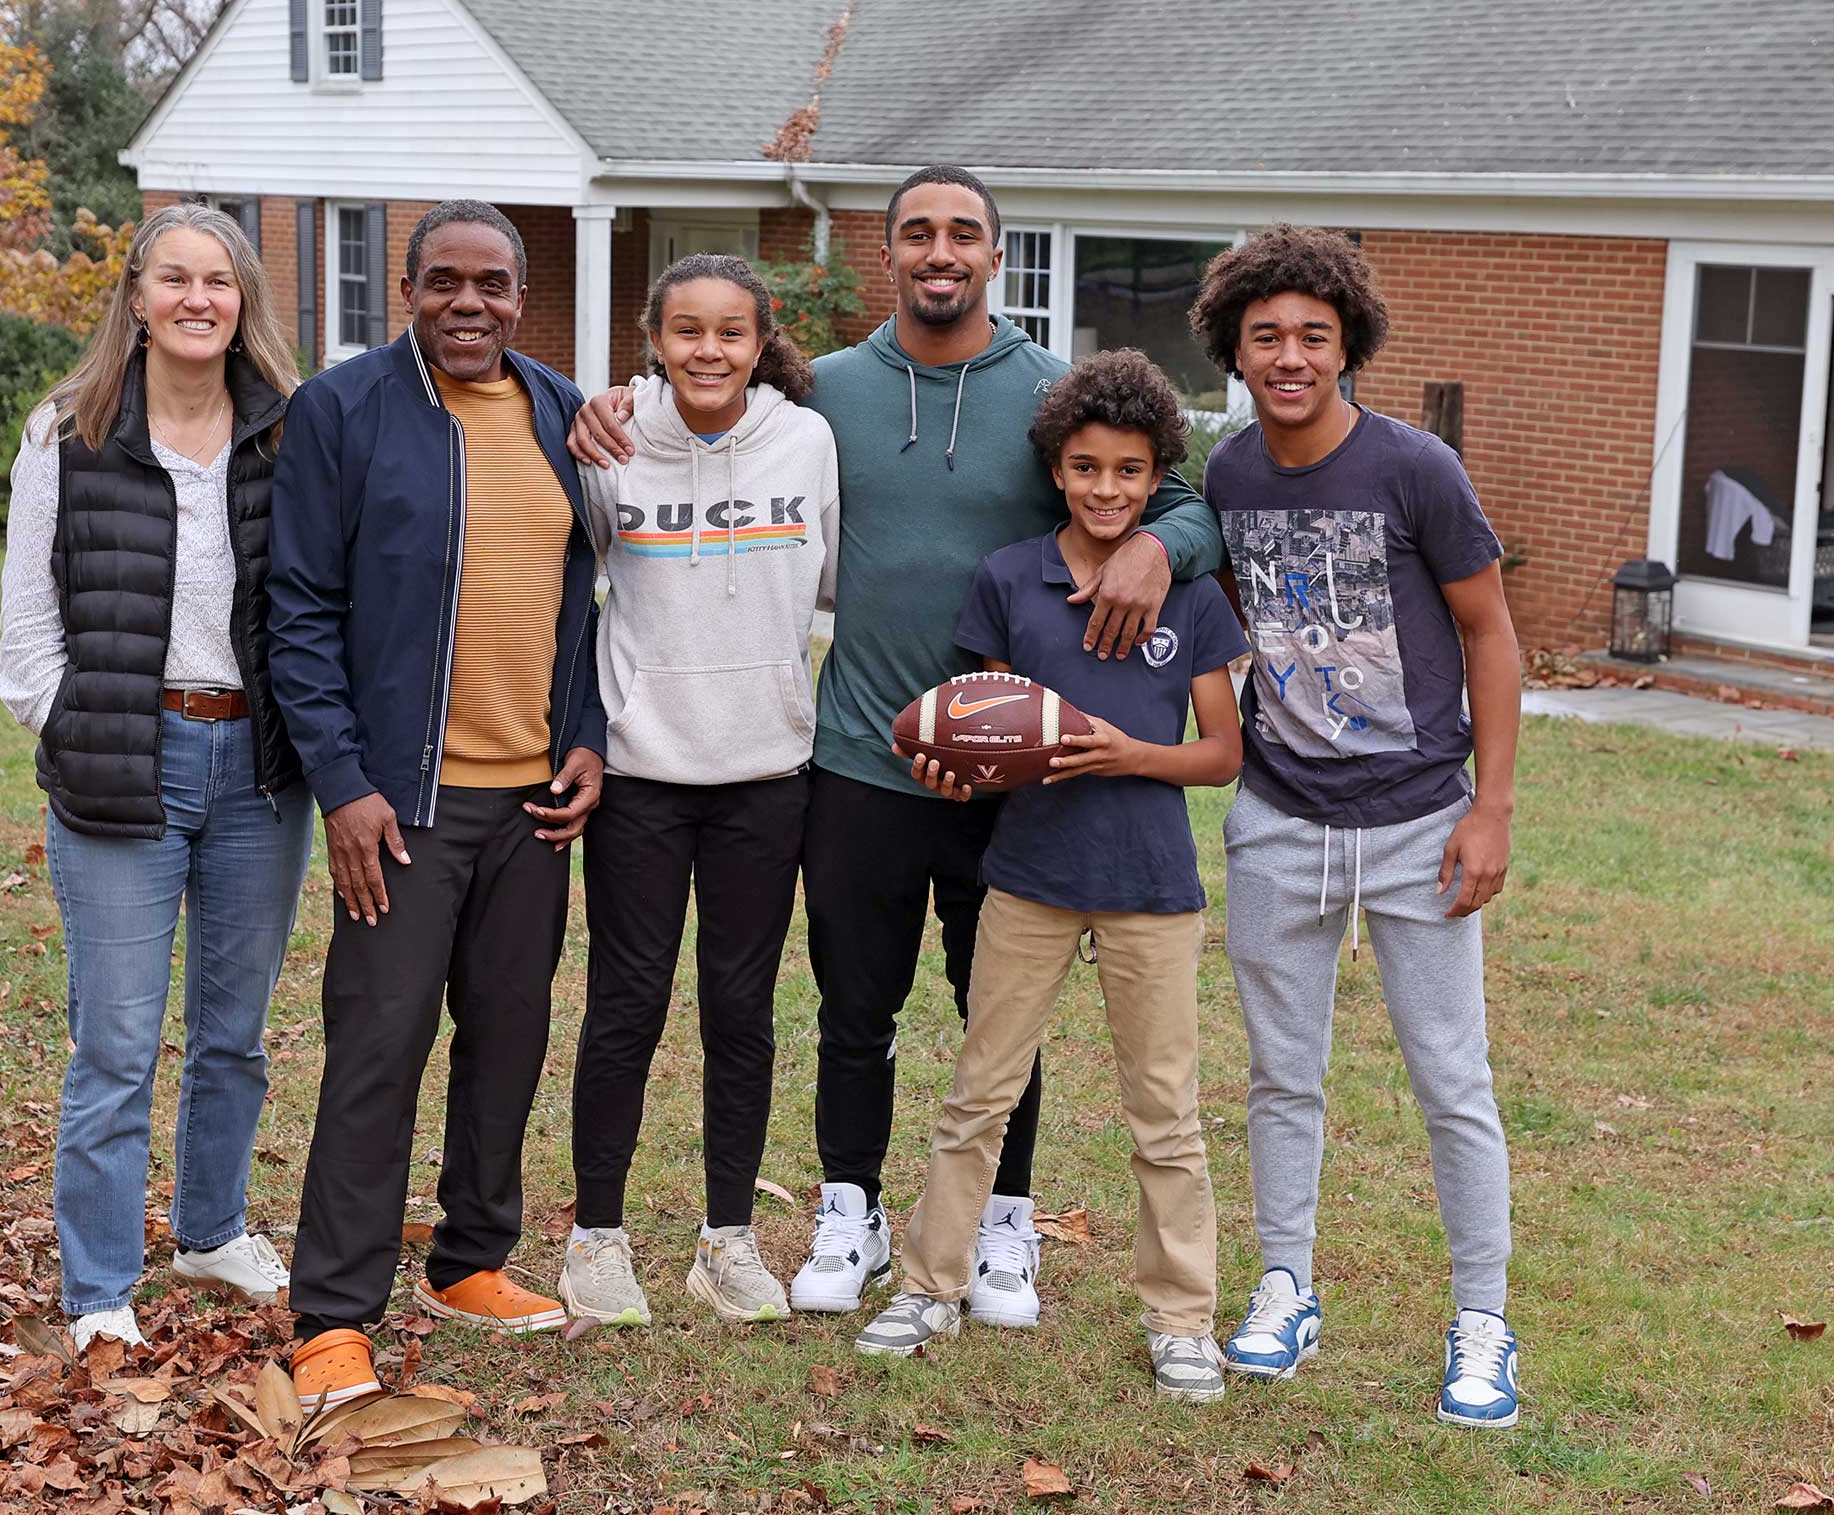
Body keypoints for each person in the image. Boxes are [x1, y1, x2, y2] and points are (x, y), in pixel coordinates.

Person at [572, 167, 1222, 1326]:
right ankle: (848, 1208)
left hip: (1012, 761)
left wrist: (1166, 542)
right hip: (861, 756)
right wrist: (602, 405)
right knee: (851, 1004)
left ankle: (1003, 1225)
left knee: (996, 1007)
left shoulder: (1047, 389)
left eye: (962, 233)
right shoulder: (824, 395)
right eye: (917, 231)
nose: (940, 250)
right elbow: (695, 391)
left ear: (994, 253)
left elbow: (1169, 487)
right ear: (888, 251)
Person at [851, 350, 1244, 1409]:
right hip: (1025, 873)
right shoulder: (1011, 577)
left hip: (1151, 884)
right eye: (1084, 466)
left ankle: (1180, 1320)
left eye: (1127, 469)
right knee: (978, 1089)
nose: (1105, 488)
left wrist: (1127, 754)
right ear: (1055, 468)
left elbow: (1221, 752)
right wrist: (945, 761)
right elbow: (978, 727)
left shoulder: (1188, 589)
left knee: (1165, 1111)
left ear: (1156, 470)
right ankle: (930, 1286)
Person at [267, 200, 606, 1413]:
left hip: (531, 800)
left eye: (495, 285)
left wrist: (587, 739)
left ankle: (469, 1260)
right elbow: (297, 610)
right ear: (404, 291)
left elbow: (588, 602)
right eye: (446, 282)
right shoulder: (344, 410)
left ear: (523, 296)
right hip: (401, 804)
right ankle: (333, 1313)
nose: (472, 304)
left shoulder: (563, 412)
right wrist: (344, 785)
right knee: (378, 1045)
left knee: (508, 1034)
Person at [1187, 224, 1525, 1428]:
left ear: (1347, 347)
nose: (1288, 356)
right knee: (1283, 1070)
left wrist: (1489, 807)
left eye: (1312, 337)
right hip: (1278, 819)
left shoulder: (1414, 467)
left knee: (1451, 1076)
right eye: (1266, 335)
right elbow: (1220, 624)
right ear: (1234, 346)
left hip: (1419, 820)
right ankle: (1287, 1280)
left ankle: (1480, 1317)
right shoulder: (1225, 477)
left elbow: (1489, 632)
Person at [0, 202, 313, 1353]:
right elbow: (27, 632)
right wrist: (79, 722)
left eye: (218, 281)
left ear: (244, 302)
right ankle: (98, 1289)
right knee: (117, 1042)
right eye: (173, 278)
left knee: (234, 1033)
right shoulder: (65, 433)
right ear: (133, 296)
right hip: (121, 761)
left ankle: (212, 1227)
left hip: (257, 770)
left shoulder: (290, 431)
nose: (197, 298)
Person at [560, 254, 839, 1329]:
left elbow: (829, 580)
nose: (708, 350)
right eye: (687, 331)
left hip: (766, 770)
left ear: (762, 337)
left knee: (743, 1011)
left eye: (730, 331)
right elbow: (568, 590)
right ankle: (597, 1238)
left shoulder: (806, 441)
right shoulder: (611, 439)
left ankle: (726, 1239)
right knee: (624, 1007)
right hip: (639, 772)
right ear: (655, 337)